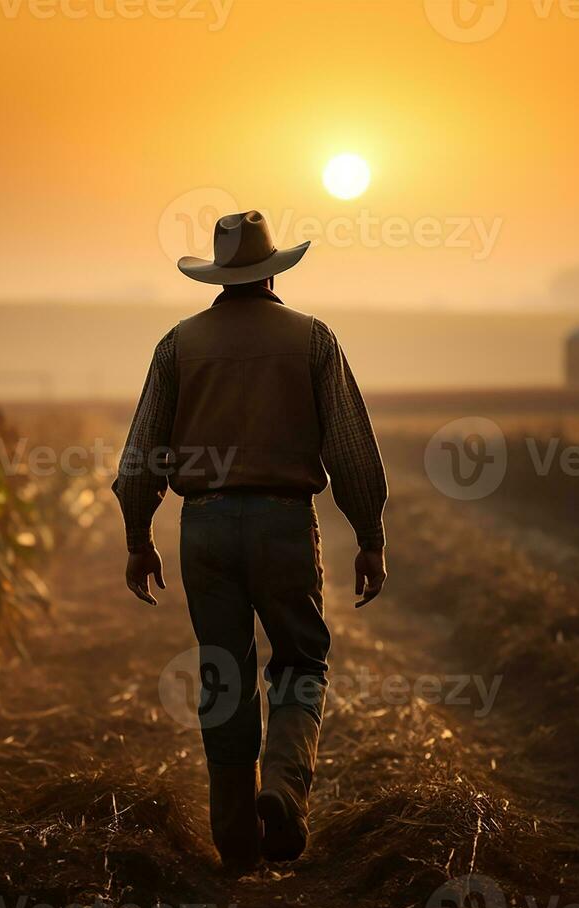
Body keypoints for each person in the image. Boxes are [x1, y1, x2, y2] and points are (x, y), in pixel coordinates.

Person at [112, 210, 388, 870]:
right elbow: (350, 449)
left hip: (203, 525)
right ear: (272, 274)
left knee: (224, 676)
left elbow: (141, 454)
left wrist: (136, 536)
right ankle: (284, 794)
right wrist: (369, 534)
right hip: (283, 521)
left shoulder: (177, 344)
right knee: (299, 662)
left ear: (218, 274)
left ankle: (235, 845)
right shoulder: (313, 340)